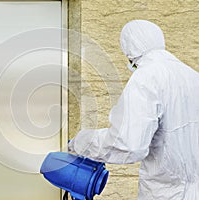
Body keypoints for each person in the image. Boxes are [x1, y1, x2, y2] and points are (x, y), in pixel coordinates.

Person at [69, 20, 199, 199]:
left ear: (130, 49)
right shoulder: (193, 77)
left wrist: (82, 142)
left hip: (165, 194)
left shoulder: (147, 77)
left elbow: (127, 144)